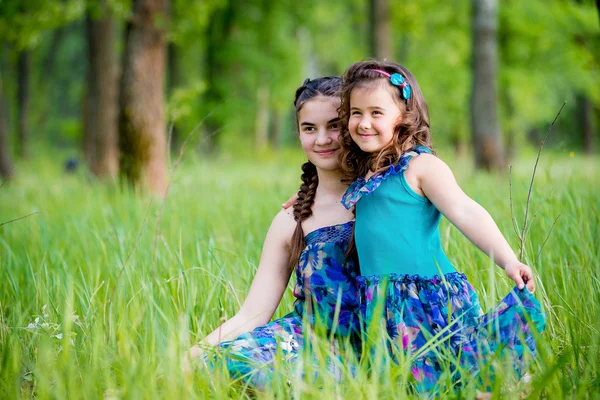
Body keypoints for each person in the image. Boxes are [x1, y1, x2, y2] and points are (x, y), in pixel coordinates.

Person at [336, 60, 546, 391]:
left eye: (376, 113)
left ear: (403, 115)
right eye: (355, 112)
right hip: (379, 303)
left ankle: (508, 383)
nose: (363, 123)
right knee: (406, 386)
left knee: (456, 378)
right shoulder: (361, 172)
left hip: (425, 296)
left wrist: (508, 260)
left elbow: (466, 211)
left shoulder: (421, 166)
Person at [187, 77, 360, 390]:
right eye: (309, 128)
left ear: (352, 126)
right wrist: (188, 359)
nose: (322, 139)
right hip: (306, 340)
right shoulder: (292, 219)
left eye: (334, 125)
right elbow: (253, 313)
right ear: (298, 134)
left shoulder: (383, 198)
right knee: (224, 362)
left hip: (366, 348)